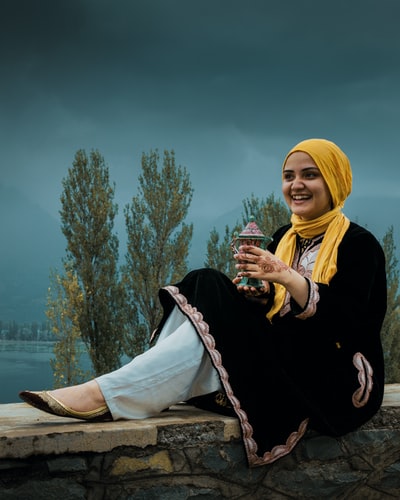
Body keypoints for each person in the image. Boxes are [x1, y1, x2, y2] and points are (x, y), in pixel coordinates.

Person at [19, 138, 387, 468]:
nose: (296, 185)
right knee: (206, 281)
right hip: (287, 351)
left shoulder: (358, 244)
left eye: (310, 175)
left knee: (221, 320)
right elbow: (279, 307)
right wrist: (261, 294)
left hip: (335, 376)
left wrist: (286, 277)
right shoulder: (283, 237)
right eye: (289, 176)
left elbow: (348, 320)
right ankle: (127, 389)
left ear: (335, 182)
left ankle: (109, 393)